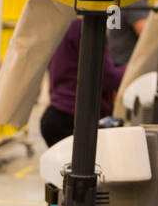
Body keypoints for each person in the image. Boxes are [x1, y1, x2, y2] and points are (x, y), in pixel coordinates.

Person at [40, 17, 125, 149]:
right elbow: (109, 78)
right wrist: (136, 67)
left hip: (57, 115)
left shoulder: (64, 23)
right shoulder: (89, 25)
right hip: (74, 119)